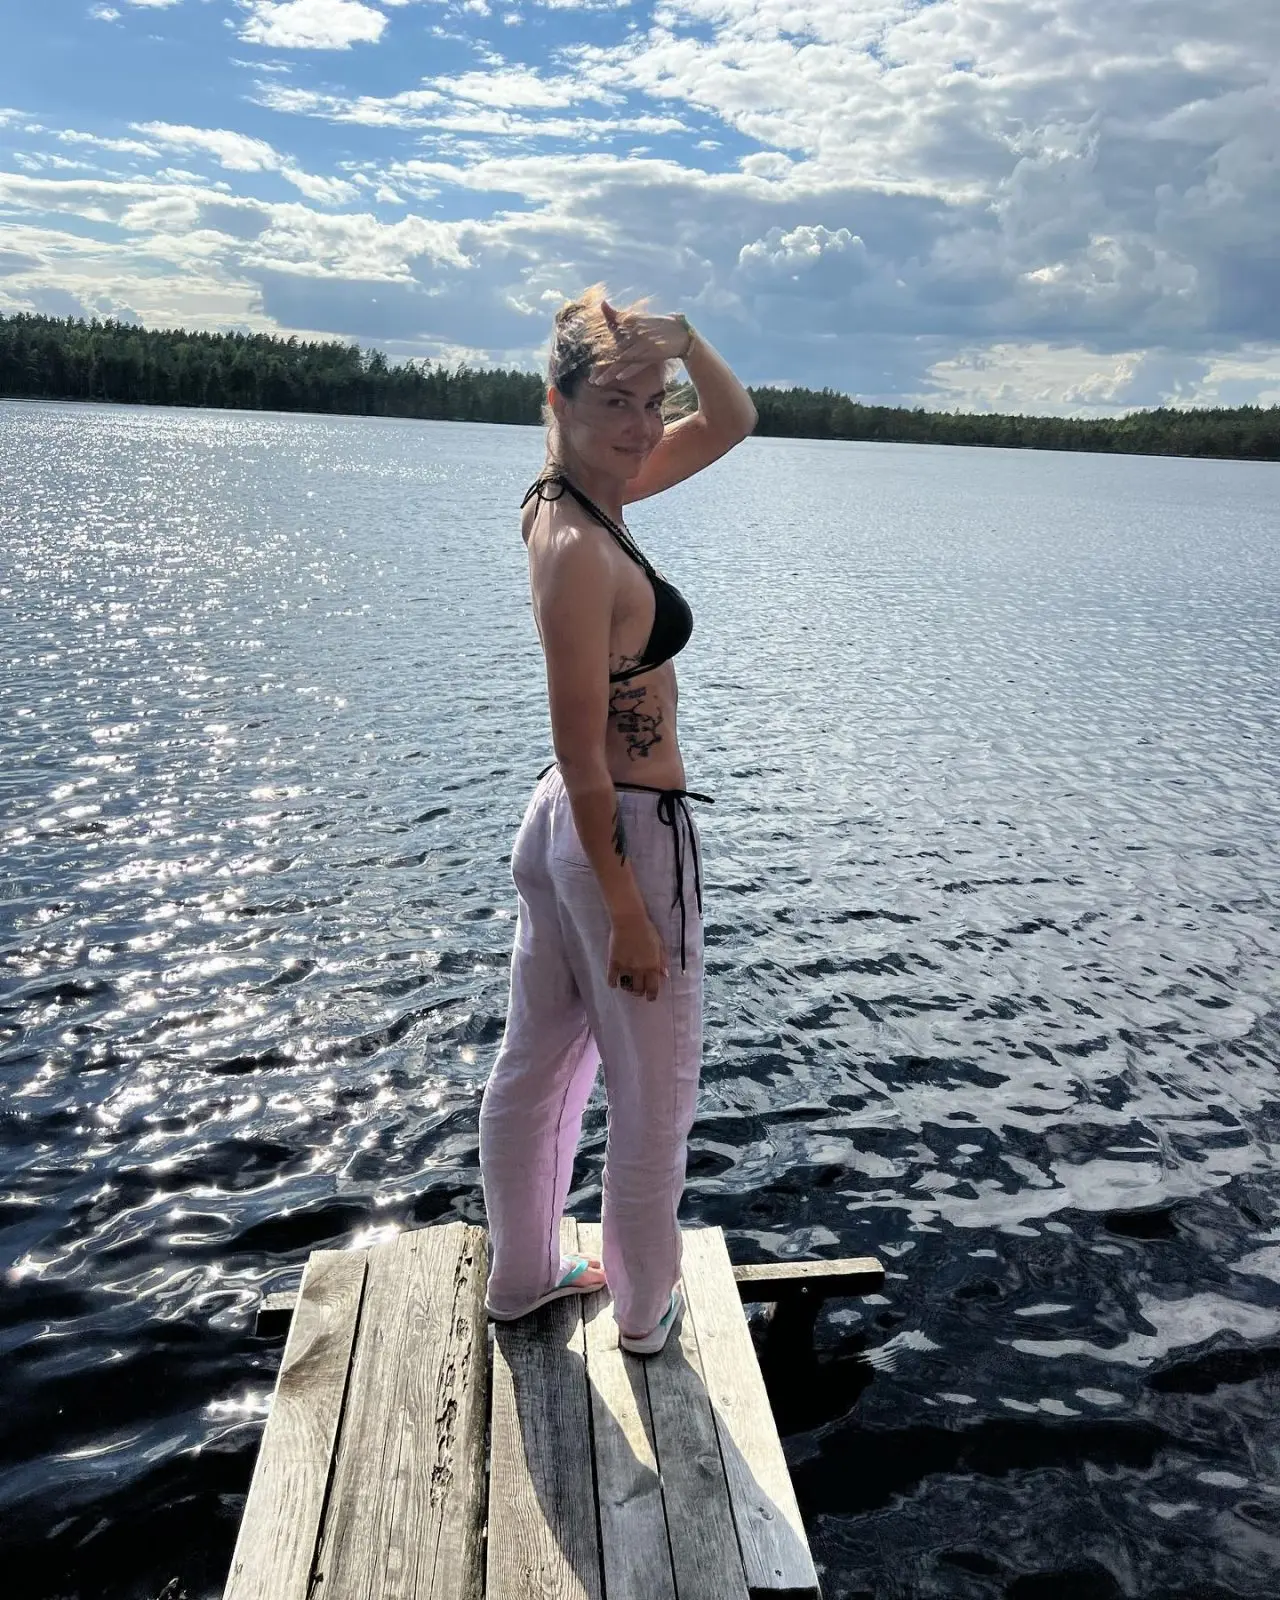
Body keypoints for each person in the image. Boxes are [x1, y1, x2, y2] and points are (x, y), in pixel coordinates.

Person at [477, 287, 757, 1354]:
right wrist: (632, 913)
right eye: (616, 402)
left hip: (567, 835)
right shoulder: (578, 551)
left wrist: (682, 340)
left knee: (538, 1063)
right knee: (655, 1099)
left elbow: (731, 421)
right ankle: (644, 1315)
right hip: (620, 838)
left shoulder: (579, 494)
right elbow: (582, 756)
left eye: (653, 401)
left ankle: (524, 1275)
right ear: (556, 400)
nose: (643, 426)